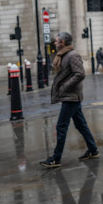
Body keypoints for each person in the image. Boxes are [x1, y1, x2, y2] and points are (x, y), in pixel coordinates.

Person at [40, 32, 99, 168]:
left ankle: (56, 158)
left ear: (63, 43)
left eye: (57, 41)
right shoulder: (64, 55)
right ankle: (93, 149)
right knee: (81, 125)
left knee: (61, 126)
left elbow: (80, 74)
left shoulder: (73, 56)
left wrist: (65, 87)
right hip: (70, 95)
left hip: (71, 96)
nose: (55, 43)